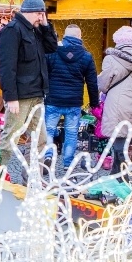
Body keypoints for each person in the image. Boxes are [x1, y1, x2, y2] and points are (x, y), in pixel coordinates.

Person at [0, 0, 58, 170]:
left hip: (37, 94)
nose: (42, 18)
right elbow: (7, 68)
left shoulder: (36, 30)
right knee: (11, 138)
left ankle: (33, 178)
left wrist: (46, 26)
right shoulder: (12, 30)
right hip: (20, 97)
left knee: (41, 139)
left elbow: (52, 47)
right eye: (40, 14)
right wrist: (11, 97)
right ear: (32, 12)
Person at [97, 26, 132, 175]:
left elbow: (103, 84)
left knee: (118, 139)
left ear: (118, 41)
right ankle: (119, 173)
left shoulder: (111, 58)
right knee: (128, 137)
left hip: (115, 103)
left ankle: (120, 175)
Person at [44, 24, 100, 170]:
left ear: (65, 36)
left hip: (53, 99)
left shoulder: (53, 52)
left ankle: (48, 155)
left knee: (48, 130)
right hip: (74, 102)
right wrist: (95, 103)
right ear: (79, 37)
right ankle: (67, 163)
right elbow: (92, 82)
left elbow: (43, 74)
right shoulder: (86, 56)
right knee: (71, 134)